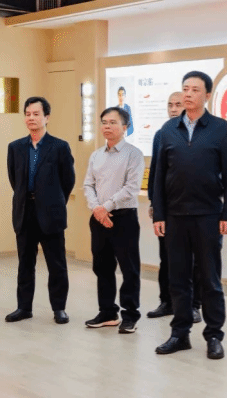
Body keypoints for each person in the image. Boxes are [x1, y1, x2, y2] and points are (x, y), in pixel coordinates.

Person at [152, 71, 227, 359]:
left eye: (195, 90)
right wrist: (159, 214)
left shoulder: (220, 129)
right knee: (178, 279)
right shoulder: (168, 129)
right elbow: (159, 175)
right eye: (185, 89)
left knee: (210, 279)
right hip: (175, 216)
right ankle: (180, 334)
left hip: (208, 215)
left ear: (207, 95)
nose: (188, 94)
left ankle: (214, 335)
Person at [6, 96, 75, 324]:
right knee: (25, 264)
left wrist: (53, 201)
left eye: (36, 114)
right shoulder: (15, 147)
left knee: (57, 264)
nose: (31, 118)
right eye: (27, 114)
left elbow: (68, 181)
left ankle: (59, 309)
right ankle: (24, 308)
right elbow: (15, 180)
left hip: (51, 214)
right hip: (25, 212)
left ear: (47, 117)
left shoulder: (60, 147)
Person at [83, 107, 145, 334]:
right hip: (99, 217)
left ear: (125, 127)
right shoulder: (96, 155)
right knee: (102, 267)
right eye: (104, 122)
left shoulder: (134, 154)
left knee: (129, 269)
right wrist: (96, 209)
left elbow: (131, 188)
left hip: (123, 217)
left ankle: (130, 315)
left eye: (112, 122)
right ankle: (108, 312)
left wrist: (106, 207)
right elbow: (88, 184)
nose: (107, 126)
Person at [147, 91, 203, 323]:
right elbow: (155, 172)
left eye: (177, 104)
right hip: (168, 209)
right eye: (169, 104)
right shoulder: (161, 134)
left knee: (194, 260)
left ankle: (194, 305)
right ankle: (167, 302)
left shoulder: (203, 134)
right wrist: (154, 202)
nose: (173, 109)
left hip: (195, 209)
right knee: (167, 258)